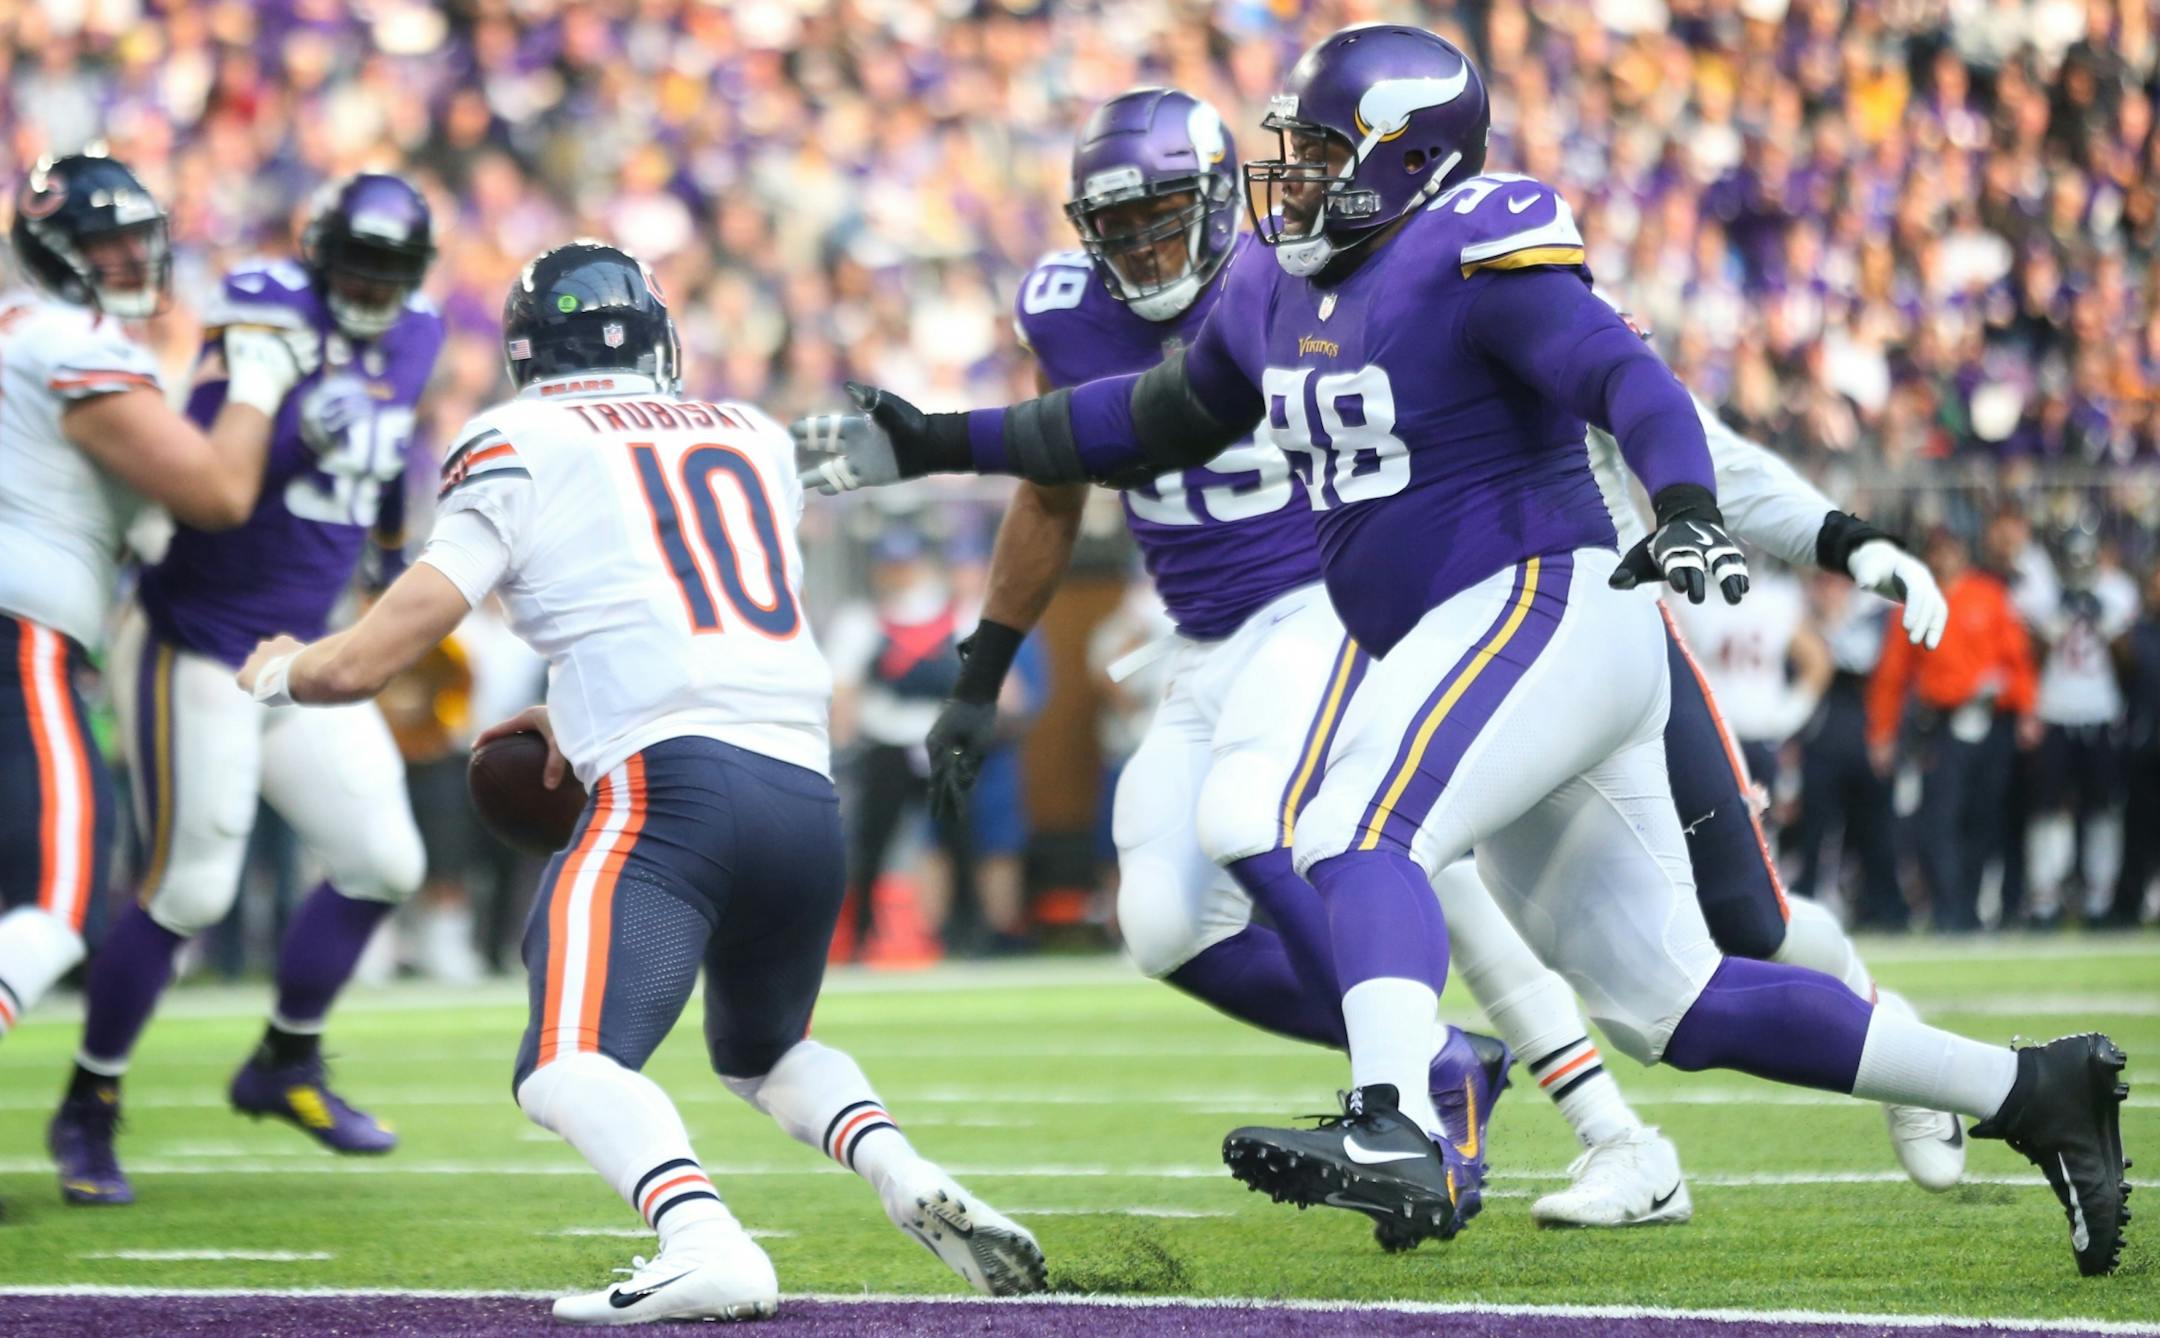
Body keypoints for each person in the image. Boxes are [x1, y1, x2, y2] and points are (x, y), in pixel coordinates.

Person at [795, 26, 2131, 1274]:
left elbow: (1627, 380)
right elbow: (1146, 419)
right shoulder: (1268, 280)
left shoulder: (1471, 245)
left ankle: (1398, 1117)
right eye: (1292, 149)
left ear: (1405, 158)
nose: (1293, 176)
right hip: (1472, 639)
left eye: (1324, 152)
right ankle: (2031, 1088)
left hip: (1544, 596)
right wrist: (938, 440)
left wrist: (1683, 506)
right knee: (1673, 1006)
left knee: (1353, 825)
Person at [237, 241, 1045, 1322]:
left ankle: (703, 1239)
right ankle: (904, 1173)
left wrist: (282, 671)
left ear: (528, 352)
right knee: (766, 1052)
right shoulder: (750, 433)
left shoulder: (516, 437)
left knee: (563, 1063)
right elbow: (683, 598)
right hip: (804, 794)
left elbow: (370, 660)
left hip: (673, 795)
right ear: (658, 338)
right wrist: (574, 710)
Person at [51, 173, 443, 1205]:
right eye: (354, 268)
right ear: (321, 257)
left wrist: (390, 562)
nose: (369, 290)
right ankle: (89, 1101)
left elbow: (389, 454)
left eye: (388, 274)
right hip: (197, 638)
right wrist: (288, 424)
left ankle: (284, 1061)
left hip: (299, 651)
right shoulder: (268, 309)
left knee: (384, 859)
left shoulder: (420, 333)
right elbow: (202, 475)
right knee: (190, 889)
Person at [1, 151, 301, 1191]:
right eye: (107, 242)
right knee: (57, 903)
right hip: (18, 643)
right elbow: (216, 494)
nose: (132, 257)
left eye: (139, 236)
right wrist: (257, 380)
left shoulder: (25, 337)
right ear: (55, 251)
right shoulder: (70, 342)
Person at [1868, 529, 2041, 932]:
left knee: (1985, 816)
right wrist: (1883, 731)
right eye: (1937, 552)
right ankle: (1949, 909)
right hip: (1941, 724)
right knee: (1940, 818)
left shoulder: (1989, 596)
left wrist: (2027, 707)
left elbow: (2016, 657)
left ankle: (1974, 905)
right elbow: (1892, 675)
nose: (1944, 559)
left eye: (1949, 551)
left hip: (1990, 718)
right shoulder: (1914, 601)